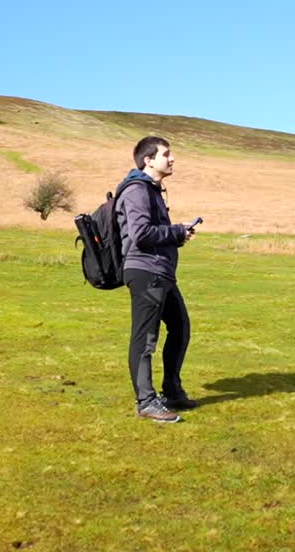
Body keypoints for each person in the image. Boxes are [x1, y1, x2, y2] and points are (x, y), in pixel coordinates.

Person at [116, 136, 196, 423]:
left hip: (160, 272)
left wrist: (178, 235)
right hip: (145, 272)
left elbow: (152, 233)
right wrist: (175, 232)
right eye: (166, 154)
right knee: (145, 337)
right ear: (148, 160)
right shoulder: (137, 190)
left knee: (180, 327)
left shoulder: (153, 190)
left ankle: (172, 391)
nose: (172, 159)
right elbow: (140, 234)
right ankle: (146, 401)